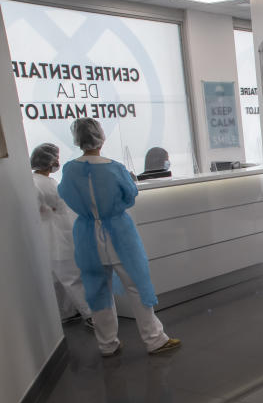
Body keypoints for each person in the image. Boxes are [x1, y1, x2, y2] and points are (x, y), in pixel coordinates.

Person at [58, 118, 181, 357]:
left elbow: (64, 193)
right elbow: (130, 194)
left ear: (77, 139)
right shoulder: (113, 168)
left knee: (97, 289)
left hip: (86, 236)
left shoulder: (69, 169)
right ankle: (154, 339)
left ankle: (107, 344)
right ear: (100, 137)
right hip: (119, 233)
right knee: (137, 285)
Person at [30, 143, 94, 329]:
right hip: (57, 237)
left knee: (60, 278)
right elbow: (41, 211)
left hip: (57, 235)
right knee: (72, 277)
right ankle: (89, 314)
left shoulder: (44, 181)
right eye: (55, 158)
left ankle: (67, 313)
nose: (57, 161)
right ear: (47, 161)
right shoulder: (38, 183)